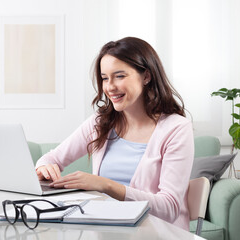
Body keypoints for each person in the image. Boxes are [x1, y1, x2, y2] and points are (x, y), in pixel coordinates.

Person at [35, 37, 194, 230]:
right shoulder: (100, 122)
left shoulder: (176, 128)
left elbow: (169, 208)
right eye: (104, 78)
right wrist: (44, 167)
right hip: (105, 230)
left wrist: (105, 185)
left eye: (119, 76)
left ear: (146, 77)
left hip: (155, 233)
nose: (110, 87)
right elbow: (51, 158)